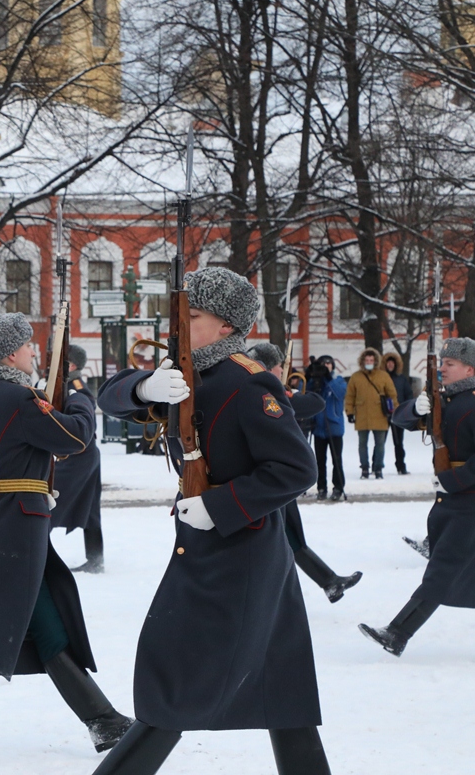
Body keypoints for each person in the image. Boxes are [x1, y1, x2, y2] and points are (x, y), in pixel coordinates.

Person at [94, 268, 327, 775]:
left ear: (227, 327)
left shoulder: (247, 383)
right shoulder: (185, 375)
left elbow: (295, 468)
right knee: (279, 691)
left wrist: (219, 507)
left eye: (191, 317)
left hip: (236, 554)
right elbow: (108, 397)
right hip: (226, 552)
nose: (178, 327)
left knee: (176, 681)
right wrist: (143, 387)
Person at [0, 315, 132, 766]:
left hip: (5, 526)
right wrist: (81, 394)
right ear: (10, 354)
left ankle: (102, 718)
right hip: (11, 529)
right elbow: (77, 436)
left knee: (48, 628)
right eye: (27, 346)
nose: (33, 353)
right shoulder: (20, 399)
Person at [359, 337, 475, 656]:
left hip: (467, 501)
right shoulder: (443, 400)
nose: (444, 369)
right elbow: (399, 419)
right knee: (449, 570)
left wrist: (451, 480)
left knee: (443, 571)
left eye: (451, 364)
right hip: (453, 503)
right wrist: (415, 407)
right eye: (443, 364)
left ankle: (398, 633)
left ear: (469, 368)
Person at [249, 343, 362, 604]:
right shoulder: (264, 393)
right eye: (279, 368)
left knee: (291, 536)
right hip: (268, 477)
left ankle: (329, 582)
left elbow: (316, 402)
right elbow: (312, 404)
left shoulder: (269, 390)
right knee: (280, 539)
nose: (281, 371)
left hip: (278, 476)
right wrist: (285, 393)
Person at [50, 343, 106, 573]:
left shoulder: (75, 386)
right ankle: (95, 560)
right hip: (85, 453)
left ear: (71, 364)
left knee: (51, 502)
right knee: (90, 509)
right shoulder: (65, 385)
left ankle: (37, 554)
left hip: (78, 455)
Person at [345, 347, 398, 479]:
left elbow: (392, 395)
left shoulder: (383, 376)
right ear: (362, 361)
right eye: (367, 360)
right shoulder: (356, 377)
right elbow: (350, 396)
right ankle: (364, 468)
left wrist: (394, 411)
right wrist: (350, 412)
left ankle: (378, 468)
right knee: (362, 444)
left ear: (376, 362)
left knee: (380, 444)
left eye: (371, 360)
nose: (369, 362)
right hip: (362, 414)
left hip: (380, 414)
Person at [307, 355, 347, 500]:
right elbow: (306, 392)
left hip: (334, 427)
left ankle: (338, 487)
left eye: (329, 364)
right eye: (323, 364)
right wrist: (310, 375)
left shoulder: (338, 380)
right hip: (319, 427)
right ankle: (321, 487)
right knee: (319, 461)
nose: (326, 366)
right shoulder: (317, 382)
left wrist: (328, 378)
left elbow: (340, 393)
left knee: (336, 460)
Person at [383, 351, 413, 475]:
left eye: (392, 363)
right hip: (383, 414)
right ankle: (376, 466)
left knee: (398, 442)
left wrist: (406, 409)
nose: (390, 365)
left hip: (398, 413)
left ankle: (401, 466)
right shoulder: (381, 378)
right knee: (380, 442)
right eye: (388, 363)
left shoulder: (401, 379)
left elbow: (408, 394)